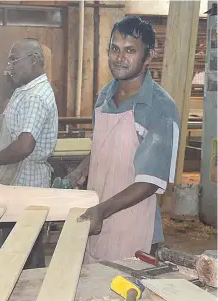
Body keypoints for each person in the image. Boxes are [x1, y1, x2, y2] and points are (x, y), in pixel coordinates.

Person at [65, 16, 180, 263]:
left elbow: (149, 182)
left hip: (132, 225)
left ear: (148, 57)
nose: (119, 58)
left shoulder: (159, 108)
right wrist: (80, 171)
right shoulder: (104, 96)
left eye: (130, 51)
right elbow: (102, 146)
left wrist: (102, 210)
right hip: (96, 218)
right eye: (114, 49)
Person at [0, 38, 58, 188]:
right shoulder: (27, 89)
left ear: (33, 59)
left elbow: (24, 147)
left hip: (25, 181)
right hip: (18, 176)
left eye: (14, 61)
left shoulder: (35, 96)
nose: (9, 68)